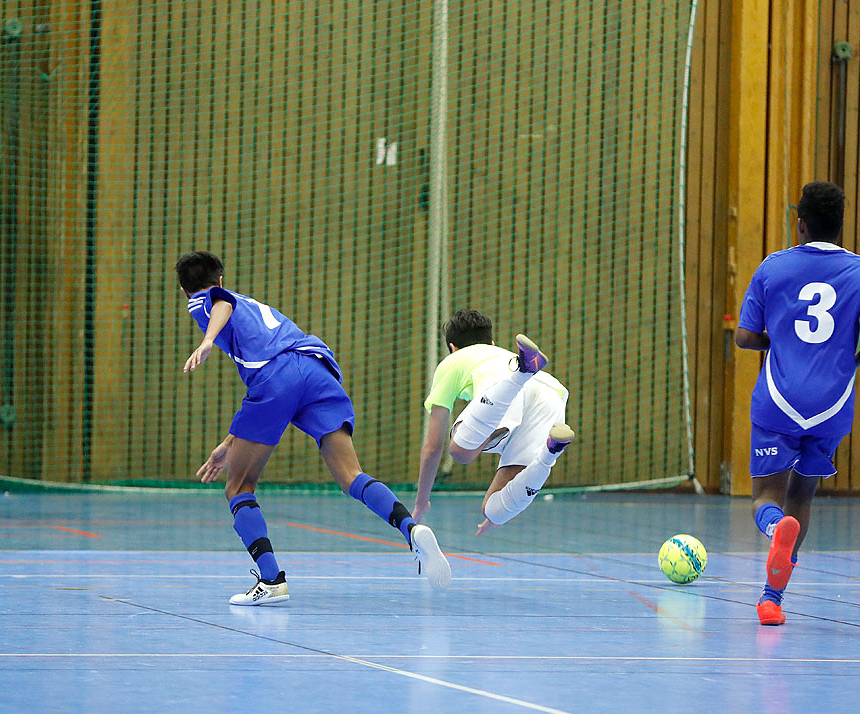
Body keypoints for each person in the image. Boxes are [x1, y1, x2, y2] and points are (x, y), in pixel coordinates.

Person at [177, 251, 451, 604]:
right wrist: (231, 441)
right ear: (222, 276)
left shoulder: (206, 300)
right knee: (352, 475)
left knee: (239, 487)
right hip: (316, 370)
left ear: (187, 291)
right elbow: (273, 376)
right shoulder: (254, 306)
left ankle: (272, 580)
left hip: (277, 377)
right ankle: (411, 530)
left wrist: (207, 340)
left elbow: (220, 304)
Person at [734, 181, 860, 626]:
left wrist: (778, 341)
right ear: (840, 225)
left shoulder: (773, 268)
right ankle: (772, 599)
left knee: (767, 496)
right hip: (832, 403)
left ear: (799, 223)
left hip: (778, 399)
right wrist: (846, 361)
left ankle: (770, 528)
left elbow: (745, 337)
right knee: (803, 494)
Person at [409, 309, 573, 537]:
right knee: (493, 509)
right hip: (549, 392)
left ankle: (520, 374)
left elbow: (433, 446)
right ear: (492, 342)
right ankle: (549, 453)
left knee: (460, 451)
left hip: (510, 383)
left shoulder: (453, 361)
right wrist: (501, 514)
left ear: (452, 347)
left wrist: (421, 502)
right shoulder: (500, 354)